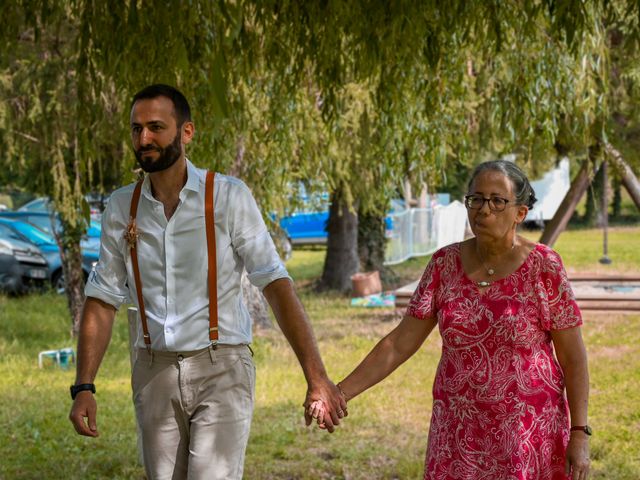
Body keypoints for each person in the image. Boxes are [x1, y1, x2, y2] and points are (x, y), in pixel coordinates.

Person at [69, 84, 346, 480]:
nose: (143, 138)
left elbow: (276, 284)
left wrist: (316, 376)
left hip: (221, 366)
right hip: (153, 369)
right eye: (135, 129)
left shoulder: (228, 197)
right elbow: (103, 299)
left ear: (186, 132)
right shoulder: (120, 207)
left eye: (155, 127)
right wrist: (84, 386)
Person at [323, 160, 590, 479]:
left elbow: (573, 358)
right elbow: (399, 343)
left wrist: (579, 432)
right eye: (476, 199)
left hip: (527, 434)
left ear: (520, 212)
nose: (483, 209)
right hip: (458, 434)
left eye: (497, 201)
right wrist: (339, 393)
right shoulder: (443, 265)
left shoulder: (544, 267)